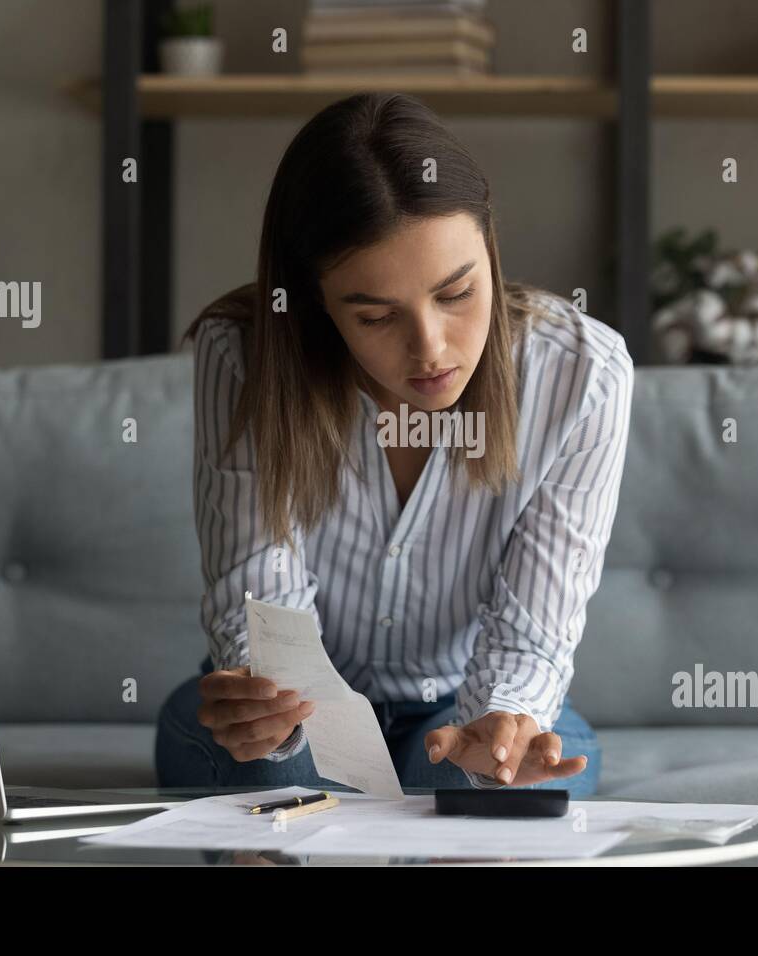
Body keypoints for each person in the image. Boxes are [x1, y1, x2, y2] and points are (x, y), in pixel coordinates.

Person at [155, 91, 632, 797]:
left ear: (490, 249)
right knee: (272, 768)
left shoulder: (582, 375)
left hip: (463, 696)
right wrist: (273, 717)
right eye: (376, 315)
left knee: (493, 785)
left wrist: (499, 729)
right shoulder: (244, 356)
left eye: (457, 293)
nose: (431, 348)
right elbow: (262, 614)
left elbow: (532, 636)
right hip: (305, 708)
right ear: (316, 301)